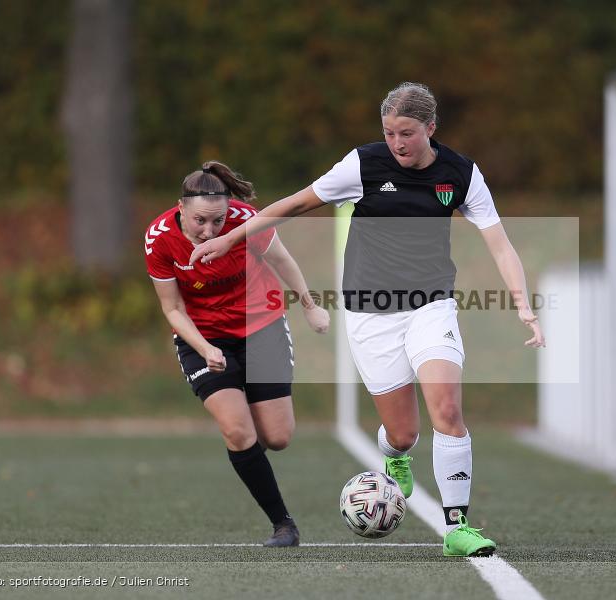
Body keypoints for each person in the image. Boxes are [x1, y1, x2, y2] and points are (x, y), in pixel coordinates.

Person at [189, 83, 545, 557]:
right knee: (404, 434)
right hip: (370, 314)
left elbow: (499, 242)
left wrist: (522, 303)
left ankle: (458, 527)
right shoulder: (364, 164)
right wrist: (231, 239)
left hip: (430, 304)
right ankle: (395, 454)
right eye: (389, 132)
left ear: (430, 129)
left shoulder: (461, 174)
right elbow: (295, 203)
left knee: (447, 411)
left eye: (407, 133)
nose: (397, 142)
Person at [144, 161, 329, 547]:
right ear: (180, 208)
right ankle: (283, 525)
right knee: (237, 429)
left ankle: (247, 451)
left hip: (262, 327)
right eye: (200, 221)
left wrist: (310, 306)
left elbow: (282, 262)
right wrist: (204, 347)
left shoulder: (246, 220)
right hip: (203, 337)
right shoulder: (159, 239)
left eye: (218, 220)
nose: (209, 230)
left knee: (277, 437)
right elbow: (172, 307)